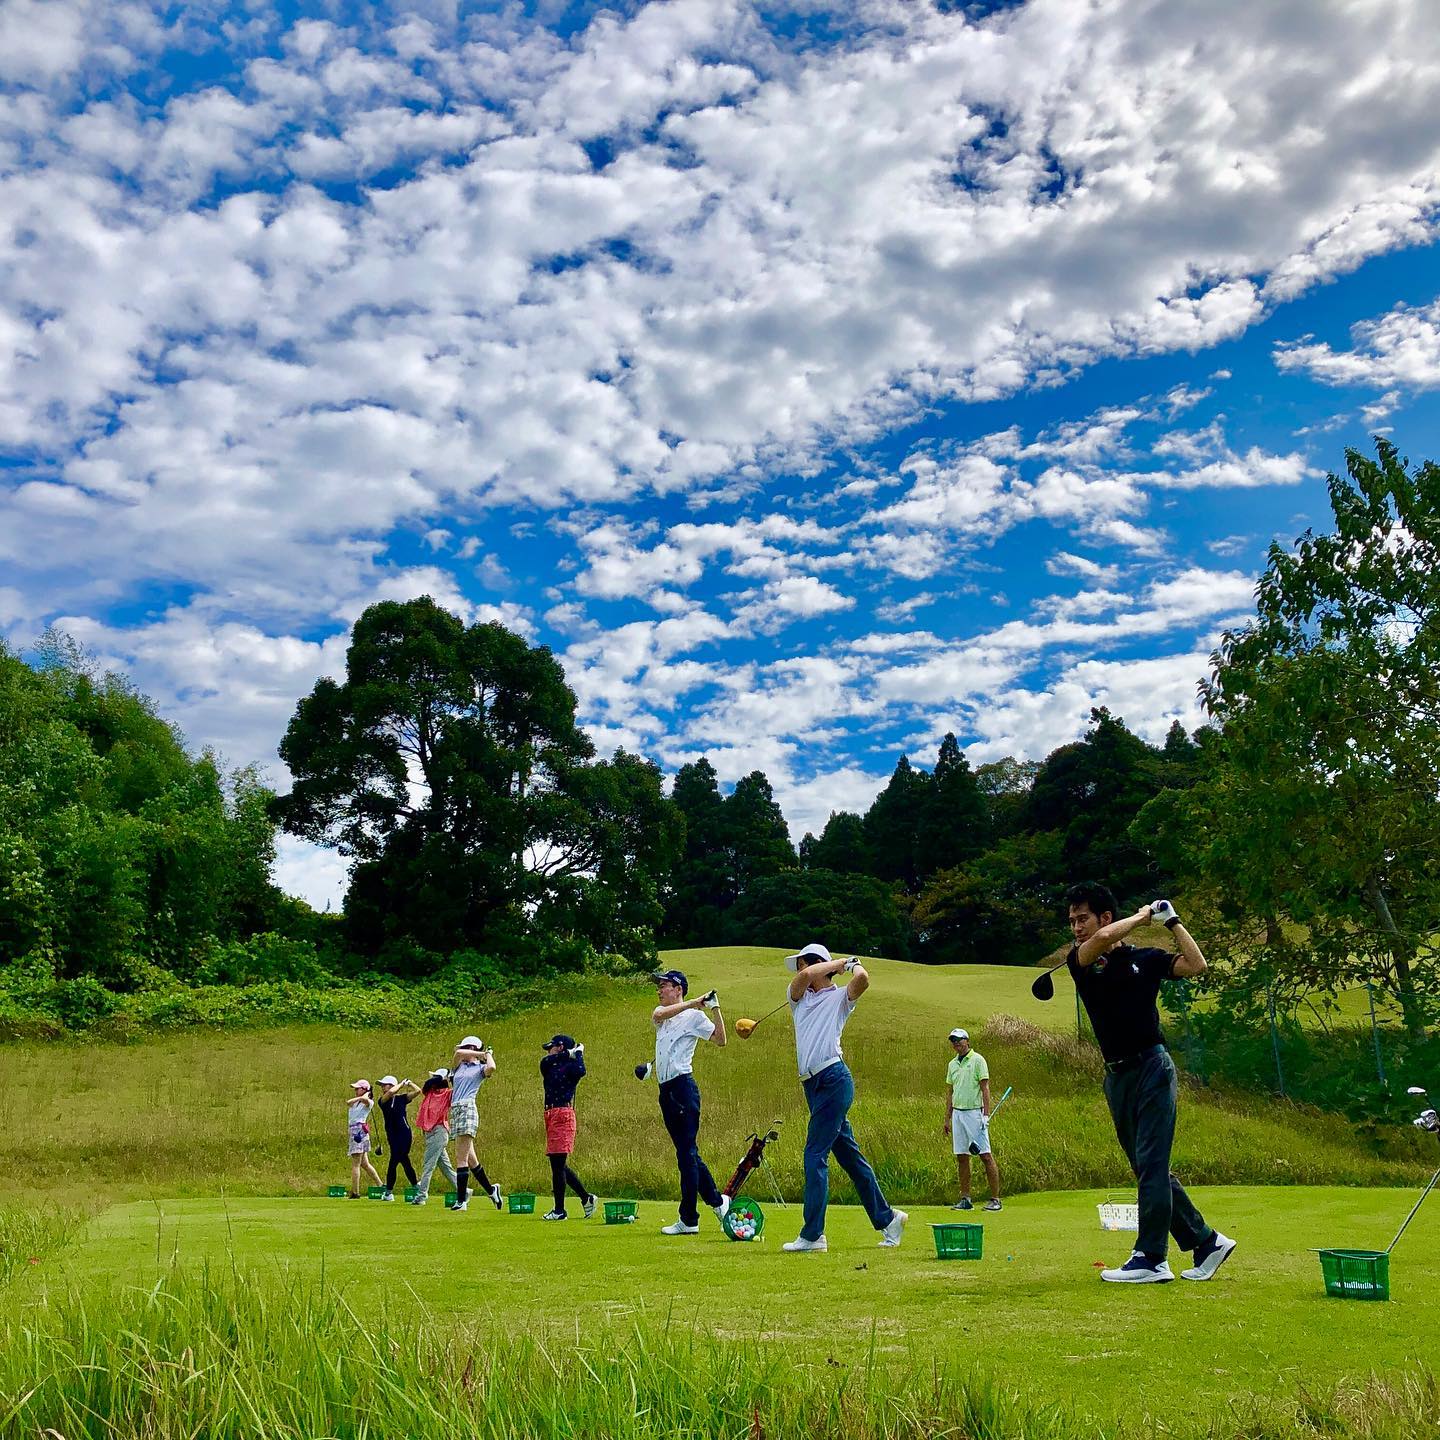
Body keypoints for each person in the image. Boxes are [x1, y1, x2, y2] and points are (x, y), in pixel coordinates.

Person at [1065, 882, 1236, 1284]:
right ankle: (1206, 1241)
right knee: (1145, 1165)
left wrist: (1172, 921)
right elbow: (1103, 941)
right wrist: (1143, 916)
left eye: (1083, 919)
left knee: (1152, 1163)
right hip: (1116, 1076)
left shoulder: (1145, 958)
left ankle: (1151, 1257)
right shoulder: (1081, 960)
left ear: (1105, 916)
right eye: (1072, 921)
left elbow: (1196, 965)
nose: (1076, 927)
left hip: (1153, 1067)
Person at [781, 943, 906, 1253]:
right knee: (849, 1157)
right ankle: (889, 1219)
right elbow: (804, 978)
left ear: (815, 964)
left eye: (801, 964)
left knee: (814, 1155)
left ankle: (813, 1235)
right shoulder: (798, 998)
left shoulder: (839, 999)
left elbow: (863, 980)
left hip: (834, 1079)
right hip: (812, 1086)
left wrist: (851, 965)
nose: (799, 971)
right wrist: (839, 963)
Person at [650, 967, 731, 1235]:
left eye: (664, 986)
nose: (660, 990)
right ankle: (718, 1202)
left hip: (683, 1089)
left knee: (686, 1154)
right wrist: (696, 1001)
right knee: (688, 1152)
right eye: (659, 986)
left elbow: (720, 1040)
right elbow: (658, 1014)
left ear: (678, 989)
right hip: (666, 1092)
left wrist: (714, 1008)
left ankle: (689, 1219)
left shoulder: (694, 1017)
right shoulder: (662, 1015)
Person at [539, 1034, 597, 1221]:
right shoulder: (548, 1064)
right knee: (558, 1164)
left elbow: (581, 1071)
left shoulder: (572, 1067)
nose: (548, 1051)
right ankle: (586, 1198)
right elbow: (545, 1062)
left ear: (561, 1046)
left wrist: (578, 1054)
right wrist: (570, 1053)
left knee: (557, 1165)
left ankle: (559, 1210)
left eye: (551, 1047)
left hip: (563, 1114)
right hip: (550, 1114)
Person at [944, 1029, 1001, 1211]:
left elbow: (985, 1088)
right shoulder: (952, 1064)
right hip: (958, 1114)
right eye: (953, 1041)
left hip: (974, 1114)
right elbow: (950, 1092)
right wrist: (947, 1118)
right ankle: (965, 1199)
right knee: (962, 1157)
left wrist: (985, 1115)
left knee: (985, 1155)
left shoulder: (978, 1060)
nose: (956, 1044)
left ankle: (995, 1200)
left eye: (959, 1040)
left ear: (967, 1041)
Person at [449, 1035, 503, 1213]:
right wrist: (482, 1053)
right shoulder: (458, 1066)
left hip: (467, 1109)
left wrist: (487, 1055)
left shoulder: (480, 1069)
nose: (464, 1050)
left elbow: (492, 1067)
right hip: (455, 1110)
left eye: (468, 1047)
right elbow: (458, 1053)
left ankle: (461, 1201)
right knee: (471, 1160)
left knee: (461, 1158)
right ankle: (492, 1191)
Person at [409, 1068, 459, 1205]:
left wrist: (448, 1078)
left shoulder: (448, 1094)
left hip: (439, 1132)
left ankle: (421, 1196)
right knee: (446, 1168)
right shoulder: (430, 1092)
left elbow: (457, 1088)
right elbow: (427, 1085)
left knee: (428, 1165)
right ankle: (464, 1190)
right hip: (430, 1133)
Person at [376, 1075, 421, 1201]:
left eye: (384, 1085)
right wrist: (401, 1084)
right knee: (404, 1161)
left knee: (394, 1161)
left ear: (391, 1085)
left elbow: (418, 1091)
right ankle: (416, 1187)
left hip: (404, 1134)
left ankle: (389, 1192)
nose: (382, 1087)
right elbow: (390, 1093)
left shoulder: (401, 1099)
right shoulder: (382, 1101)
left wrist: (409, 1083)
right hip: (392, 1135)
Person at [344, 1079, 383, 1198]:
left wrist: (366, 1094)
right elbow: (349, 1102)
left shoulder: (368, 1102)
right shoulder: (357, 1102)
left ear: (364, 1090)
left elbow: (365, 1100)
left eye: (358, 1088)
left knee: (355, 1164)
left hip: (358, 1132)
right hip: (356, 1131)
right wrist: (361, 1096)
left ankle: (355, 1192)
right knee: (365, 1164)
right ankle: (381, 1186)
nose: (355, 1091)